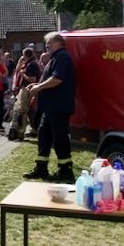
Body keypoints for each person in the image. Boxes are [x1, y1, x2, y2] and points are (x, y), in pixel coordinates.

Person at [25, 32, 76, 183]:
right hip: (50, 107)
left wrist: (39, 87)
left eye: (50, 43)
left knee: (60, 138)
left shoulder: (63, 57)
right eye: (46, 44)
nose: (47, 46)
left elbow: (57, 79)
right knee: (43, 136)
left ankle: (65, 171)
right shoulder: (55, 58)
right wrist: (36, 85)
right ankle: (41, 167)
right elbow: (49, 79)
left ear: (60, 43)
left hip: (58, 106)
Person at [8, 48, 41, 141]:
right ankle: (21, 132)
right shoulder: (28, 64)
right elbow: (18, 70)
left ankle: (16, 132)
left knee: (19, 111)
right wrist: (20, 62)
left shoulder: (32, 65)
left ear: (24, 54)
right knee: (24, 112)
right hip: (24, 89)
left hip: (27, 89)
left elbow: (33, 79)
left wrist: (23, 75)